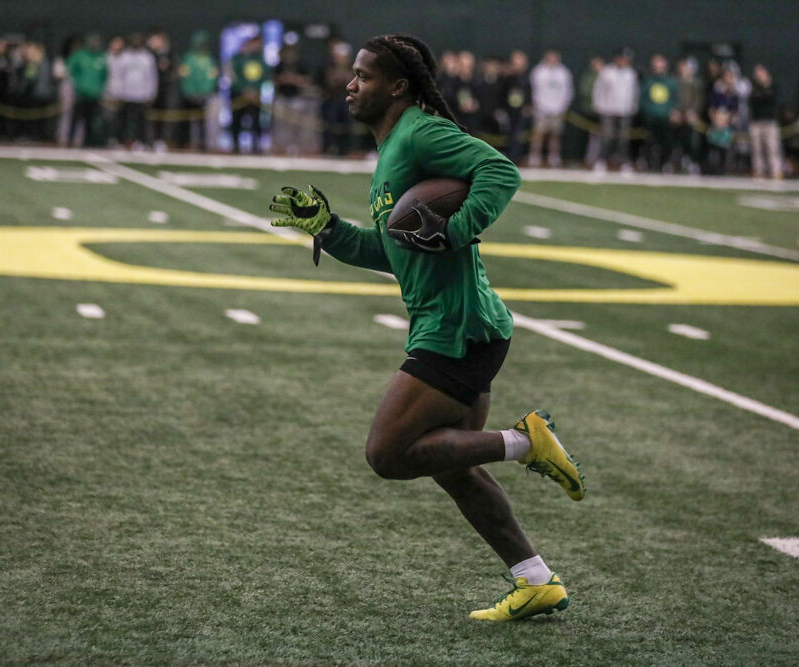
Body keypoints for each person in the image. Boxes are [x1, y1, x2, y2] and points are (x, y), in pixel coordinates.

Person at [267, 33, 586, 622]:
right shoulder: (391, 147)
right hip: (465, 324)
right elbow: (394, 249)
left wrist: (459, 228)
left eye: (363, 75)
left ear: (397, 86)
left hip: (455, 327)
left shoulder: (418, 131)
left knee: (388, 453)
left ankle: (526, 442)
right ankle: (535, 580)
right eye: (352, 73)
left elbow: (499, 170)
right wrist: (329, 227)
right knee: (454, 467)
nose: (350, 83)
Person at [590, 48, 638, 172]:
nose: (624, 61)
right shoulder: (607, 72)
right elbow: (598, 90)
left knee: (623, 139)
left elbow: (634, 92)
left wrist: (633, 106)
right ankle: (601, 161)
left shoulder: (630, 73)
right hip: (608, 110)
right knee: (606, 137)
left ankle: (623, 163)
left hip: (624, 110)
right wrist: (599, 106)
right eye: (622, 58)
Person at [528, 49, 572, 167]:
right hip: (541, 109)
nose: (553, 60)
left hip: (557, 110)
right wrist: (537, 105)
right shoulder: (538, 71)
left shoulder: (564, 72)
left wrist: (562, 107)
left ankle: (554, 157)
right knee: (538, 135)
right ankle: (534, 156)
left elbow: (568, 91)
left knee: (555, 135)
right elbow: (533, 90)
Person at [114, 33, 157, 149]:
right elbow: (119, 76)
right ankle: (123, 141)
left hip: (141, 95)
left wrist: (151, 93)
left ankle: (144, 142)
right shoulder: (124, 56)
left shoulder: (147, 57)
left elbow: (151, 77)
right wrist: (118, 92)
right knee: (125, 120)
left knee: (142, 121)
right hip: (126, 94)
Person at [178, 30, 218, 151]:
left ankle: (202, 143)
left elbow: (212, 78)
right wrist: (190, 92)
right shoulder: (189, 58)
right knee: (187, 121)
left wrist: (205, 92)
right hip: (190, 96)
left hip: (204, 97)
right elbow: (185, 76)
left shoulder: (210, 60)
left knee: (202, 122)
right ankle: (187, 143)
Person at [229, 35, 268, 153]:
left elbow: (265, 76)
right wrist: (244, 90)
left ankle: (256, 145)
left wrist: (255, 91)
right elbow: (233, 76)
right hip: (239, 95)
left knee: (256, 121)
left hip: (255, 96)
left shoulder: (261, 59)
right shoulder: (237, 58)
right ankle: (235, 145)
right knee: (237, 120)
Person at [66, 33, 107, 147]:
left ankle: (87, 143)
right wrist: (77, 85)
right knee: (75, 119)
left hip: (95, 95)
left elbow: (105, 75)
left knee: (91, 121)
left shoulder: (101, 57)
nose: (95, 44)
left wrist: (100, 89)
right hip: (81, 93)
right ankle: (70, 141)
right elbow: (71, 69)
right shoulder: (80, 55)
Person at [639, 54, 677, 172]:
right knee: (648, 141)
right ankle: (647, 163)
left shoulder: (671, 82)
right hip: (650, 118)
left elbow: (674, 99)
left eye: (660, 64)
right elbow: (642, 99)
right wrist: (647, 113)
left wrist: (672, 112)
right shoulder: (648, 81)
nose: (658, 67)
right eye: (656, 65)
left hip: (665, 117)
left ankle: (665, 163)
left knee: (666, 142)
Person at [748, 64, 782, 179]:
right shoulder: (753, 88)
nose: (759, 76)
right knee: (757, 149)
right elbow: (754, 101)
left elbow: (772, 100)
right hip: (756, 122)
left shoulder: (773, 87)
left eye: (761, 73)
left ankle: (776, 171)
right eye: (757, 74)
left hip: (770, 122)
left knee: (772, 148)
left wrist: (766, 86)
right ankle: (759, 171)